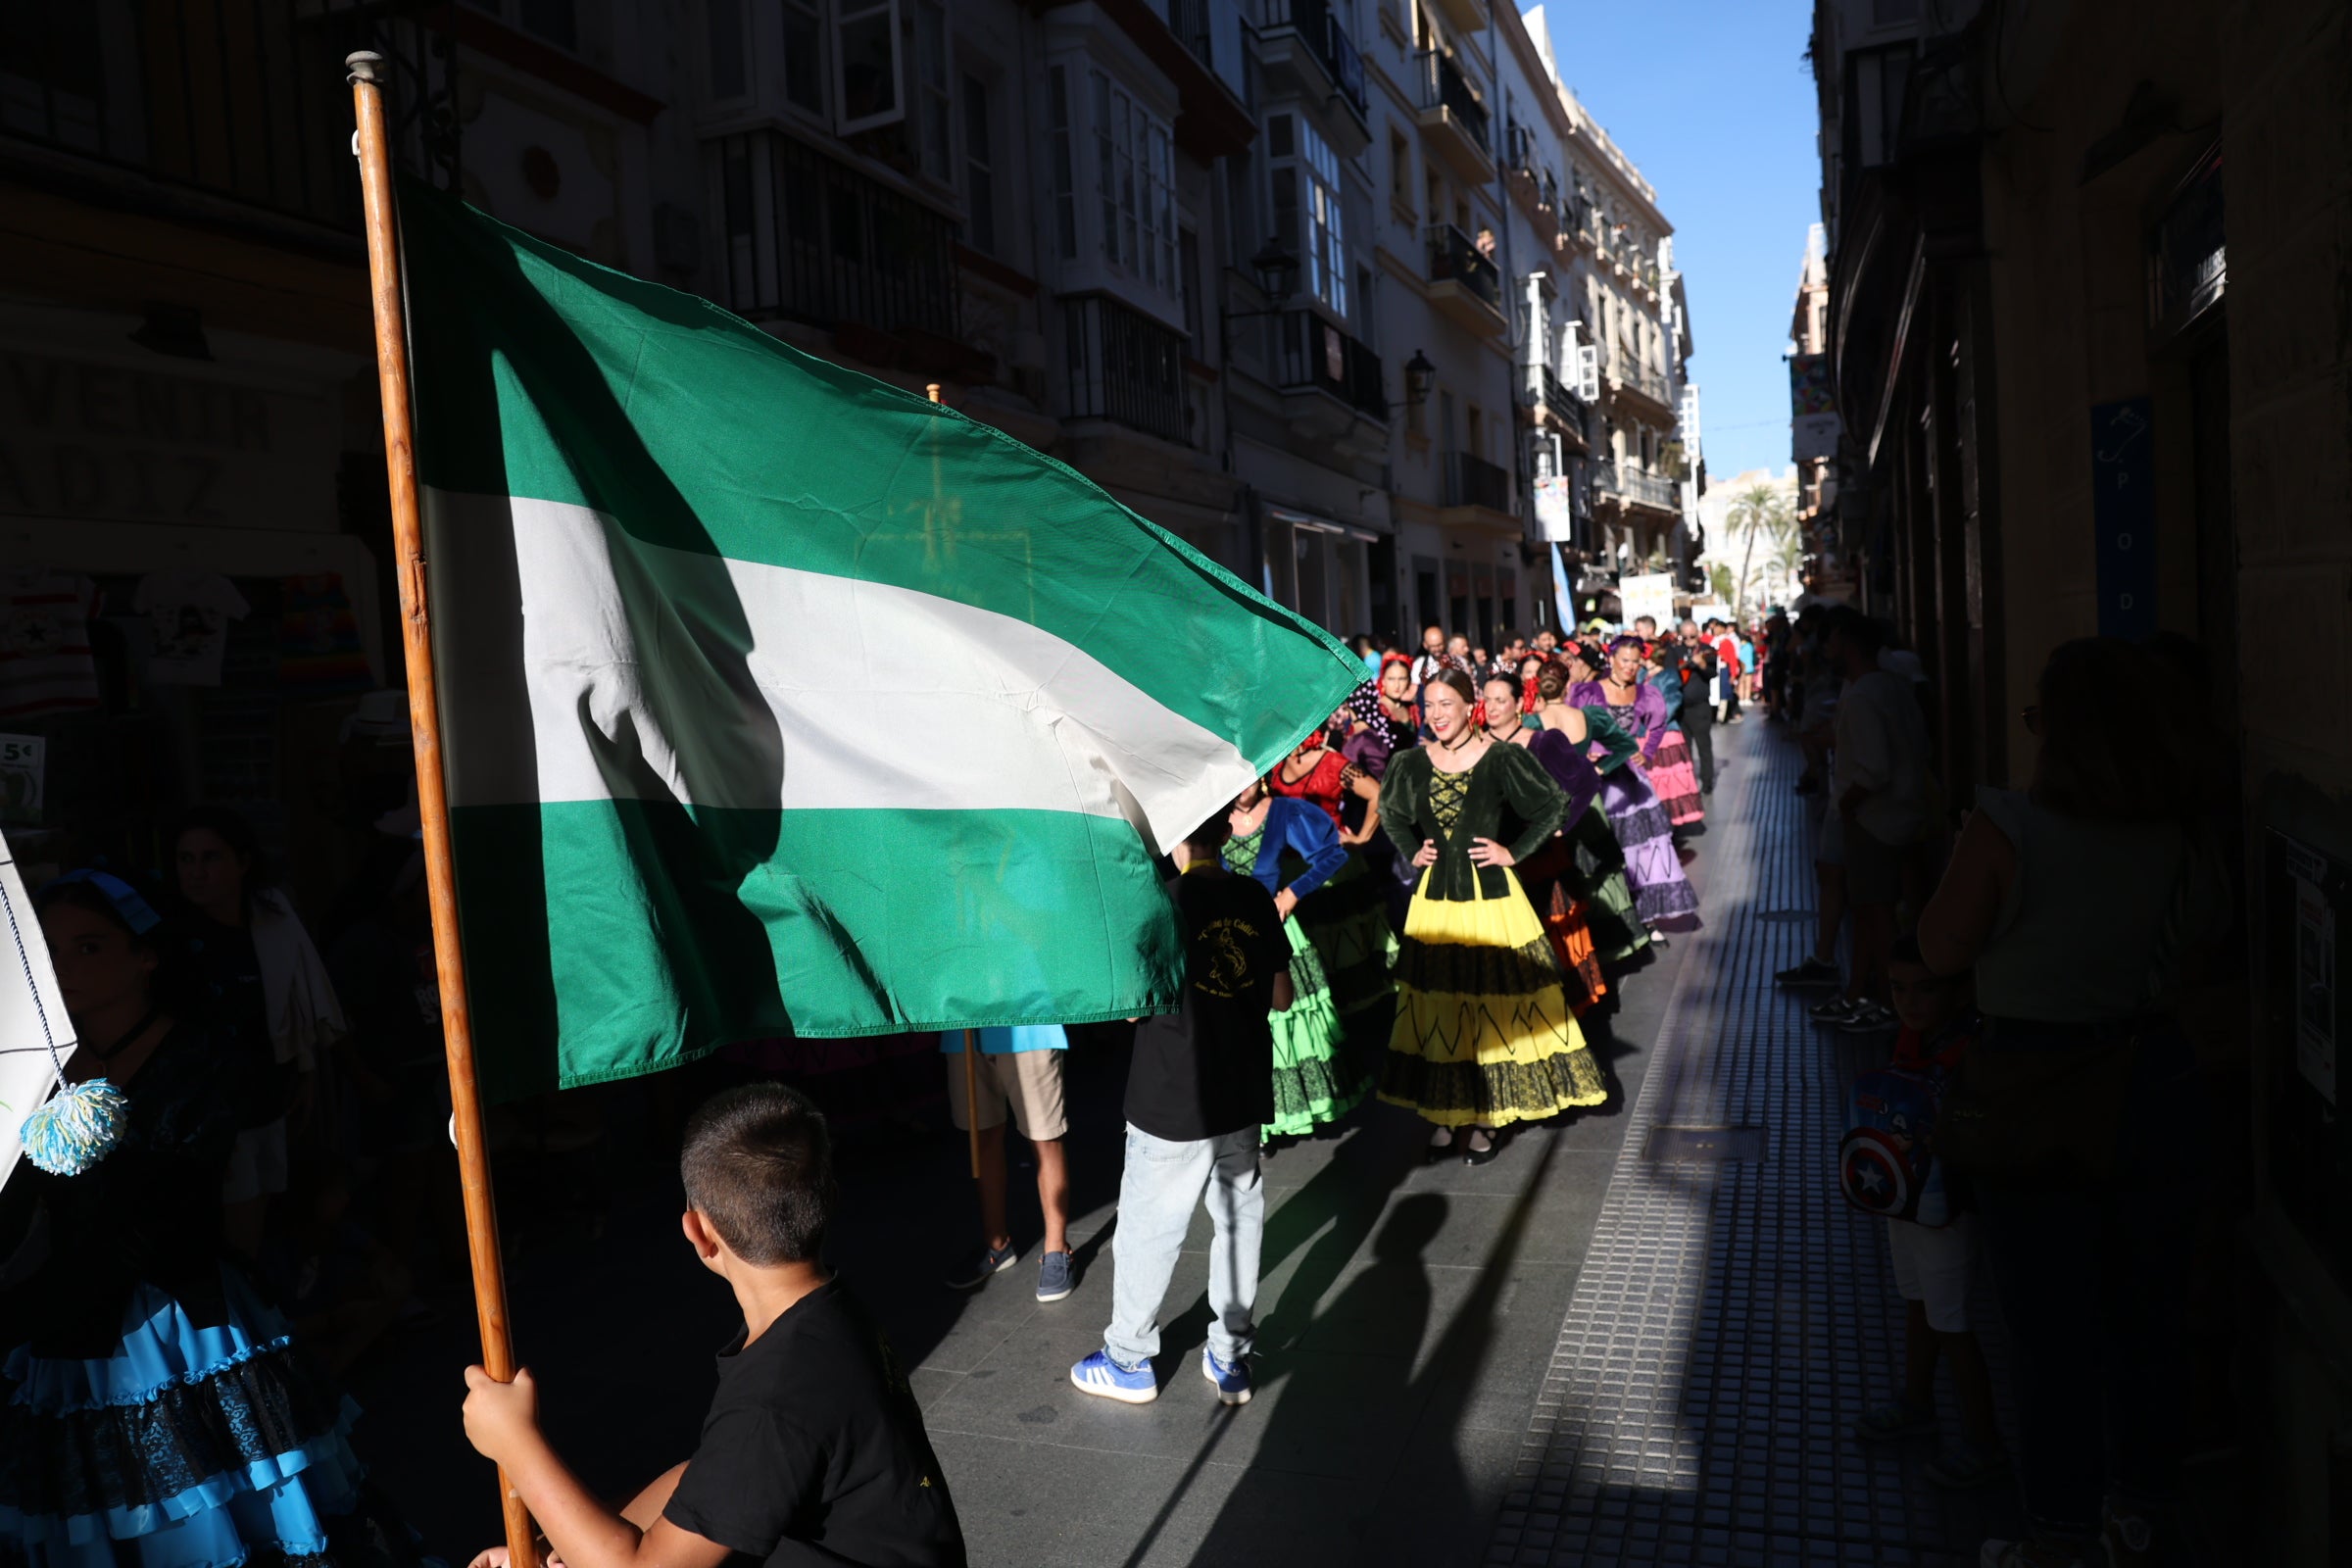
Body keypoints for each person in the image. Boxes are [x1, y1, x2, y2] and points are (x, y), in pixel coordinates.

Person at [1916, 638, 2226, 1568]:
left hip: (2035, 1099)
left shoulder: (2006, 827)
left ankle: (2058, 1540)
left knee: (2051, 1337)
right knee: (2150, 1318)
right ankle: (2141, 1514)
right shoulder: (2183, 829)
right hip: (2154, 1081)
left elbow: (1937, 948)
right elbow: (2206, 940)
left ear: (2060, 732)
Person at [3, 873, 367, 1568]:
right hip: (64, 1327)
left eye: (87, 946)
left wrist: (18, 1313)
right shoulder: (34, 1071)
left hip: (171, 1324)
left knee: (206, 1525)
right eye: (48, 950)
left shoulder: (205, 1058)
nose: (63, 966)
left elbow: (155, 1223)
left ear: (147, 956)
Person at [461, 1083, 967, 1568]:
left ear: (699, 1233)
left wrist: (516, 1442)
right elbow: (704, 1484)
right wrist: (559, 1546)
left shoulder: (778, 1395)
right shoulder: (825, 1313)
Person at [1071, 812, 1292, 1406]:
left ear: (1172, 837)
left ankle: (1128, 1358)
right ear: (1226, 833)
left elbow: (1132, 1010)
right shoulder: (1253, 896)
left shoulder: (1160, 903)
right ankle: (1230, 1356)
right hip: (1239, 1090)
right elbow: (1280, 994)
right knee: (1240, 1221)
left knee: (1149, 1228)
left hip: (1171, 1095)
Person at [1377, 670, 1607, 1162]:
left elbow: (1553, 805)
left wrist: (1513, 850)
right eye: (1429, 704)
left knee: (1490, 1008)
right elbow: (1391, 811)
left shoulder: (1502, 757)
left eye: (1446, 703)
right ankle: (1445, 1113)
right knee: (1440, 1009)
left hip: (1495, 903)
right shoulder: (1410, 762)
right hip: (1435, 906)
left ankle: (1485, 1116)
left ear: (1470, 705)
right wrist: (1411, 849)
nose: (1437, 714)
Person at [1850, 937, 2003, 1491]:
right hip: (1910, 1197)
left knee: (1953, 1322)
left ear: (1958, 989)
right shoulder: (1914, 1037)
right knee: (1918, 1301)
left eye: (1924, 989)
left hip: (1944, 1207)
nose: (1909, 1002)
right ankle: (1916, 1403)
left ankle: (1984, 1441)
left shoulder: (1968, 1046)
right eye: (1897, 989)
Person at [172, 804, 345, 1257]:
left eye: (210, 857)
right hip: (211, 1114)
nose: (196, 872)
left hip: (269, 1099)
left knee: (268, 1217)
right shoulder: (169, 938)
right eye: (186, 859)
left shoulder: (272, 920)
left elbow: (299, 1003)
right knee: (234, 1232)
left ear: (242, 862)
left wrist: (304, 1070)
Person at [1225, 779, 1368, 1143]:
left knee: (1286, 1021)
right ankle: (1252, 1123)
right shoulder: (1212, 815)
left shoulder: (1285, 812)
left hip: (1275, 929)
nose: (1243, 785)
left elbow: (1333, 854)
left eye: (1250, 774)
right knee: (1236, 1026)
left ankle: (1288, 1114)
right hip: (1227, 935)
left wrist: (1292, 893)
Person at [1806, 613, 1928, 1035]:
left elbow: (1874, 770)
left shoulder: (1863, 696)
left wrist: (1848, 806)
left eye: (1834, 643)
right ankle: (1863, 993)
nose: (1828, 651)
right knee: (1875, 911)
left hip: (1875, 820)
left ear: (1851, 647)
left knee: (1877, 916)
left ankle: (1887, 1003)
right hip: (1905, 814)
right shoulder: (1893, 686)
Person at [1513, 660, 1651, 972]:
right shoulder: (1587, 717)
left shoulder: (1532, 724)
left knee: (1571, 877)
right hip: (1589, 805)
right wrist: (1598, 768)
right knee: (1601, 875)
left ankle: (1582, 952)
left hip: (1553, 807)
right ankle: (1619, 946)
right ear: (1567, 686)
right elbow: (1626, 745)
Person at [1481, 676, 1606, 1012]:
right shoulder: (1476, 745)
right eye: (1487, 699)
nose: (1491, 707)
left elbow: (1587, 781)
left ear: (1520, 704)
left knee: (1550, 935)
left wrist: (1562, 826)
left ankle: (1566, 1009)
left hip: (1542, 859)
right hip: (1494, 861)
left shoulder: (1542, 742)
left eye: (1499, 700)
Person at [1570, 642, 1702, 933]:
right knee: (1609, 849)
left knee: (1642, 850)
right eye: (1625, 660)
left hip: (1631, 780)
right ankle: (1615, 918)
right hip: (1597, 779)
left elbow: (1658, 725)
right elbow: (1571, 725)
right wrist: (1584, 751)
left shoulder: (1645, 693)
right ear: (1612, 660)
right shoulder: (1588, 692)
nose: (1630, 667)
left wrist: (1648, 752)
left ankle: (1643, 916)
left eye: (1635, 662)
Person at [940, 1023, 1073, 1302]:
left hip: (1027, 1019)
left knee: (1045, 1138)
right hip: (964, 1025)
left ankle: (1056, 1249)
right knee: (983, 1136)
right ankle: (996, 1244)